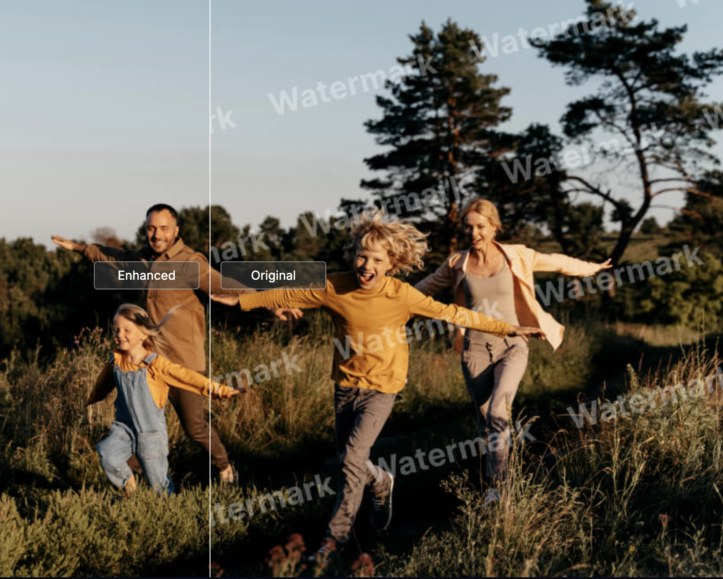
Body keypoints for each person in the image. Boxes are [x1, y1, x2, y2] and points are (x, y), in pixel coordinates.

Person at [212, 210, 544, 561]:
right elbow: (287, 291)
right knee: (348, 460)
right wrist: (242, 301)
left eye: (376, 259)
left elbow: (454, 314)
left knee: (352, 458)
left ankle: (333, 540)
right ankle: (382, 482)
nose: (366, 265)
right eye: (361, 256)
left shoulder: (402, 294)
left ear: (391, 263)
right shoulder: (333, 286)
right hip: (345, 386)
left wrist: (507, 328)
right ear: (353, 255)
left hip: (384, 388)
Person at [53, 203, 298, 484]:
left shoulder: (189, 263)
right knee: (140, 425)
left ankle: (224, 467)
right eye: (151, 228)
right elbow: (114, 257)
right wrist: (79, 248)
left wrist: (270, 304)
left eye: (163, 228)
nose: (156, 234)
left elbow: (226, 285)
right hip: (149, 364)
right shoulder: (142, 259)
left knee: (194, 427)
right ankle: (135, 476)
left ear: (176, 231)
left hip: (184, 361)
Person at [414, 198, 611, 506]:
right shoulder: (457, 263)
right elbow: (421, 290)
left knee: (497, 412)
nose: (474, 233)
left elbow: (555, 261)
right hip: (474, 350)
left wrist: (592, 268)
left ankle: (499, 489)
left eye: (480, 226)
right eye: (469, 227)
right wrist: (387, 304)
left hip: (513, 345)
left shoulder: (516, 255)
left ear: (494, 227)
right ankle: (501, 462)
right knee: (486, 423)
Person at [86, 303, 242, 495]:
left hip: (150, 435)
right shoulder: (116, 360)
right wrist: (91, 399)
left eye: (127, 330)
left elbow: (188, 377)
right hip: (124, 429)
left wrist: (219, 389)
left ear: (143, 334)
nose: (119, 335)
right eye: (116, 330)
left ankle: (169, 511)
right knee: (107, 452)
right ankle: (129, 487)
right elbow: (103, 382)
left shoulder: (156, 365)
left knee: (159, 484)